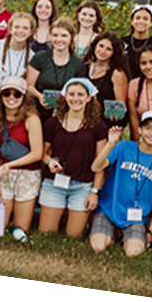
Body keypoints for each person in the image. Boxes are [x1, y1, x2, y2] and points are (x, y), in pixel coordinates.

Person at [90, 110, 152, 258]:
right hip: (109, 210)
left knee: (134, 253)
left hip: (136, 217)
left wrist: (151, 230)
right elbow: (96, 167)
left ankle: (125, 236)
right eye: (147, 128)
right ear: (139, 129)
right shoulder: (123, 147)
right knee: (98, 246)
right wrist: (110, 144)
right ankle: (111, 233)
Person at [39, 78, 108, 237]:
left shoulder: (98, 126)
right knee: (46, 234)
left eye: (80, 94)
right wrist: (49, 161)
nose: (75, 98)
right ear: (65, 96)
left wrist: (94, 192)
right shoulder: (52, 123)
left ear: (89, 97)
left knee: (73, 236)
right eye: (71, 94)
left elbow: (101, 161)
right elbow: (42, 153)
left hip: (83, 186)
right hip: (54, 183)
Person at [0, 76, 43, 231]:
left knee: (21, 227)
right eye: (7, 93)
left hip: (27, 173)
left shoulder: (31, 119)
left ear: (24, 97)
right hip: (2, 174)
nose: (11, 98)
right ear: (1, 95)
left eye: (17, 94)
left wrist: (9, 165)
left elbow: (37, 153)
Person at [26, 18, 86, 124]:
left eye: (64, 36)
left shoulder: (78, 64)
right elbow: (29, 85)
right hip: (39, 111)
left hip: (67, 113)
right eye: (55, 35)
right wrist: (40, 96)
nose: (59, 39)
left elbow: (81, 91)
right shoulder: (39, 58)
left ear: (72, 37)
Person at [83, 32, 129, 130]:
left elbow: (121, 106)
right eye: (101, 46)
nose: (103, 51)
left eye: (109, 49)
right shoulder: (85, 67)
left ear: (114, 52)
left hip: (106, 124)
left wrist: (114, 113)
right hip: (84, 120)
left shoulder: (117, 73)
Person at [121, 4, 152, 81]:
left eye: (145, 19)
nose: (141, 21)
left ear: (151, 22)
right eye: (137, 18)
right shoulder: (121, 42)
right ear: (132, 21)